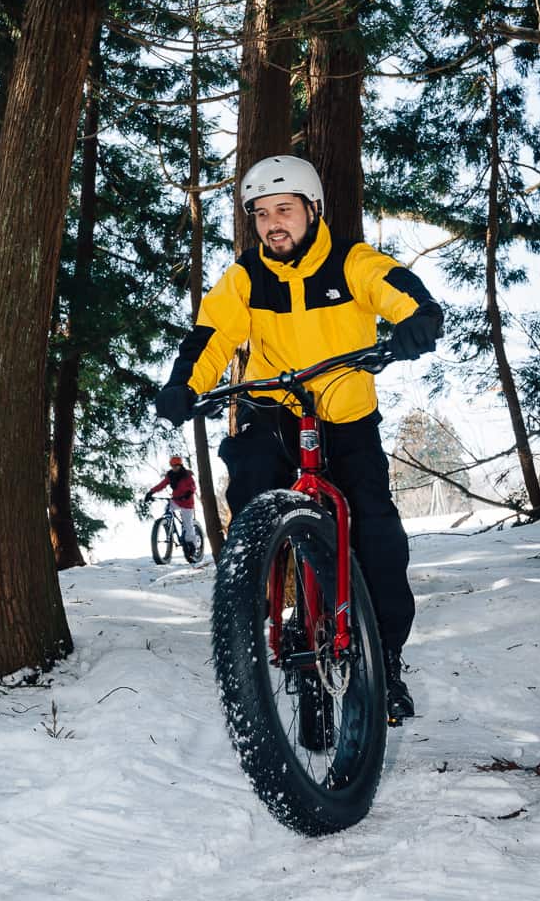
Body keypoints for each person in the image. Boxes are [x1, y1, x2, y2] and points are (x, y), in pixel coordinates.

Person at [154, 154, 443, 724]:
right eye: (261, 214)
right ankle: (257, 609)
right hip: (274, 414)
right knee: (253, 488)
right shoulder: (246, 277)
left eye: (284, 209)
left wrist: (418, 318)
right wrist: (183, 384)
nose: (272, 223)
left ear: (312, 210)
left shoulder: (350, 261)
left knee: (378, 532)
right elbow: (211, 334)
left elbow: (397, 290)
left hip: (347, 418)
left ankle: (384, 659)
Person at [144, 455, 198, 560]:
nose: (175, 468)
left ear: (180, 465)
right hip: (176, 500)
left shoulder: (187, 475)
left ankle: (192, 546)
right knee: (167, 509)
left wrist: (189, 492)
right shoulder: (170, 476)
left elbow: (193, 486)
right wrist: (151, 492)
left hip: (187, 502)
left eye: (177, 465)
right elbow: (162, 485)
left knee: (188, 525)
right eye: (173, 466)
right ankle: (167, 525)